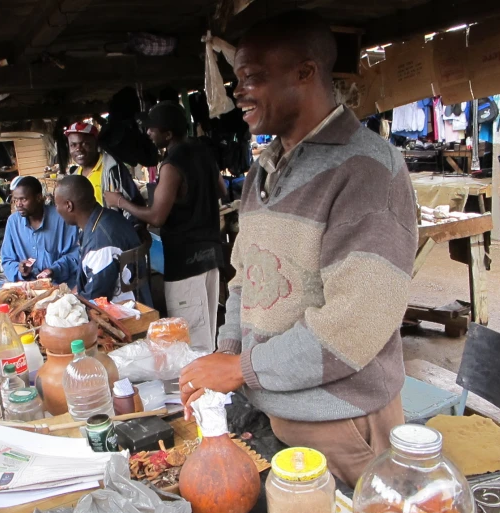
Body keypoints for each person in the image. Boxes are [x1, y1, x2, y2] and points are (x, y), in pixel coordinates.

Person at [178, 12, 417, 488]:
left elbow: (355, 324)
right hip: (269, 409)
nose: (238, 92)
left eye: (252, 78)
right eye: (237, 79)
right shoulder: (264, 169)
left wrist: (241, 368)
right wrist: (227, 351)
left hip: (340, 425)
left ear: (305, 74)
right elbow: (247, 278)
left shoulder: (367, 170)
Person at [105, 101, 223, 352]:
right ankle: (210, 388)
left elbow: (157, 217)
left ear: (168, 134)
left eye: (152, 129)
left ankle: (201, 389)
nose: (147, 133)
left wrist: (120, 201)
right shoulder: (202, 151)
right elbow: (221, 190)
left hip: (186, 263)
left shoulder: (172, 164)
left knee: (190, 342)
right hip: (211, 257)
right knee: (208, 333)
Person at [55, 175, 152, 305]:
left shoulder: (100, 243)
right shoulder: (106, 217)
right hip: (133, 301)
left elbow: (93, 299)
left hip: (125, 314)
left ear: (68, 205)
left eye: (56, 205)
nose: (56, 210)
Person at [2, 176, 79, 285]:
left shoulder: (62, 218)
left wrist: (54, 270)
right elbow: (7, 260)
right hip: (28, 288)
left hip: (61, 287)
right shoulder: (13, 222)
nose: (18, 204)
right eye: (15, 200)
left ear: (38, 197)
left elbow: (75, 254)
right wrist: (21, 271)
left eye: (23, 199)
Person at [65, 122, 145, 218]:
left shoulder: (113, 169)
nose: (78, 149)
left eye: (85, 143)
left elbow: (136, 204)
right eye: (73, 145)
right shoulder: (75, 177)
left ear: (96, 143)